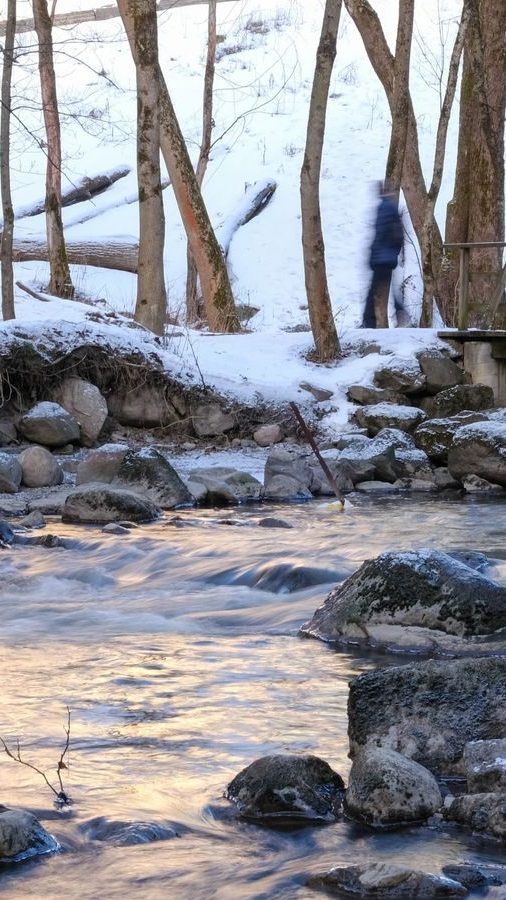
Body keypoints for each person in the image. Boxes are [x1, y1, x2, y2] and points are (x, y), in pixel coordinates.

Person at [361, 181, 404, 328]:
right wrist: (394, 252)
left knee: (373, 289)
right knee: (389, 287)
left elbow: (379, 233)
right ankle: (400, 312)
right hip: (390, 256)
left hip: (380, 258)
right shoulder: (392, 208)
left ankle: (368, 321)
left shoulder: (383, 208)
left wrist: (373, 255)